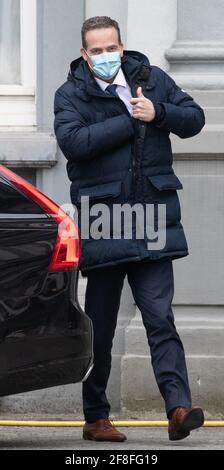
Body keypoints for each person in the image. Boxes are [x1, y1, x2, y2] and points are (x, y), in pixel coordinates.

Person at [54, 16, 205, 442]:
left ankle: (177, 408)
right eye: (96, 50)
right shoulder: (70, 94)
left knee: (160, 318)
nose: (106, 56)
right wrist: (129, 119)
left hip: (153, 220)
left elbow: (194, 118)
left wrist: (159, 112)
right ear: (85, 54)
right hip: (105, 222)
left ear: (122, 46)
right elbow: (74, 143)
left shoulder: (152, 79)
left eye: (111, 48)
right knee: (100, 326)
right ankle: (96, 417)